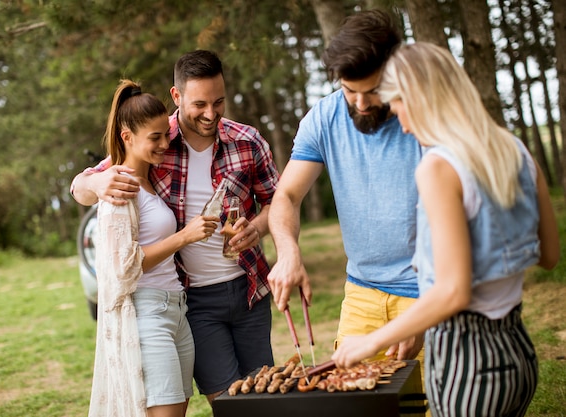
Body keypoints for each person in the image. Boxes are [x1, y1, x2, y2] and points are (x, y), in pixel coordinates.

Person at [333, 42, 560, 417]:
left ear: (421, 98)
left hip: (468, 365)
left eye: (398, 104)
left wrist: (369, 341)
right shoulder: (515, 149)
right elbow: (550, 256)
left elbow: (453, 292)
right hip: (519, 352)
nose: (400, 120)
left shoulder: (438, 167)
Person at [71, 50, 280, 403]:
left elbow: (277, 202)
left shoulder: (248, 141)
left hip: (250, 290)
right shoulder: (153, 139)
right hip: (193, 299)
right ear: (177, 96)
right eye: (200, 104)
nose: (211, 114)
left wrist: (257, 228)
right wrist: (97, 183)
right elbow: (81, 186)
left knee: (265, 397)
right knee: (228, 404)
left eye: (219, 102)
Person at [268, 9, 424, 361]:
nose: (360, 103)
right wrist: (288, 251)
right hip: (361, 292)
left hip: (429, 292)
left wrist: (427, 312)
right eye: (349, 90)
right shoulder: (324, 118)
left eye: (372, 91)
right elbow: (287, 196)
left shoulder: (425, 115)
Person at [88, 79, 219, 417]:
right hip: (148, 314)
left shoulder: (150, 182)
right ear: (126, 137)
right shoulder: (120, 189)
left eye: (166, 135)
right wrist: (185, 237)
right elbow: (125, 267)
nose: (164, 144)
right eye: (155, 138)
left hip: (176, 310)